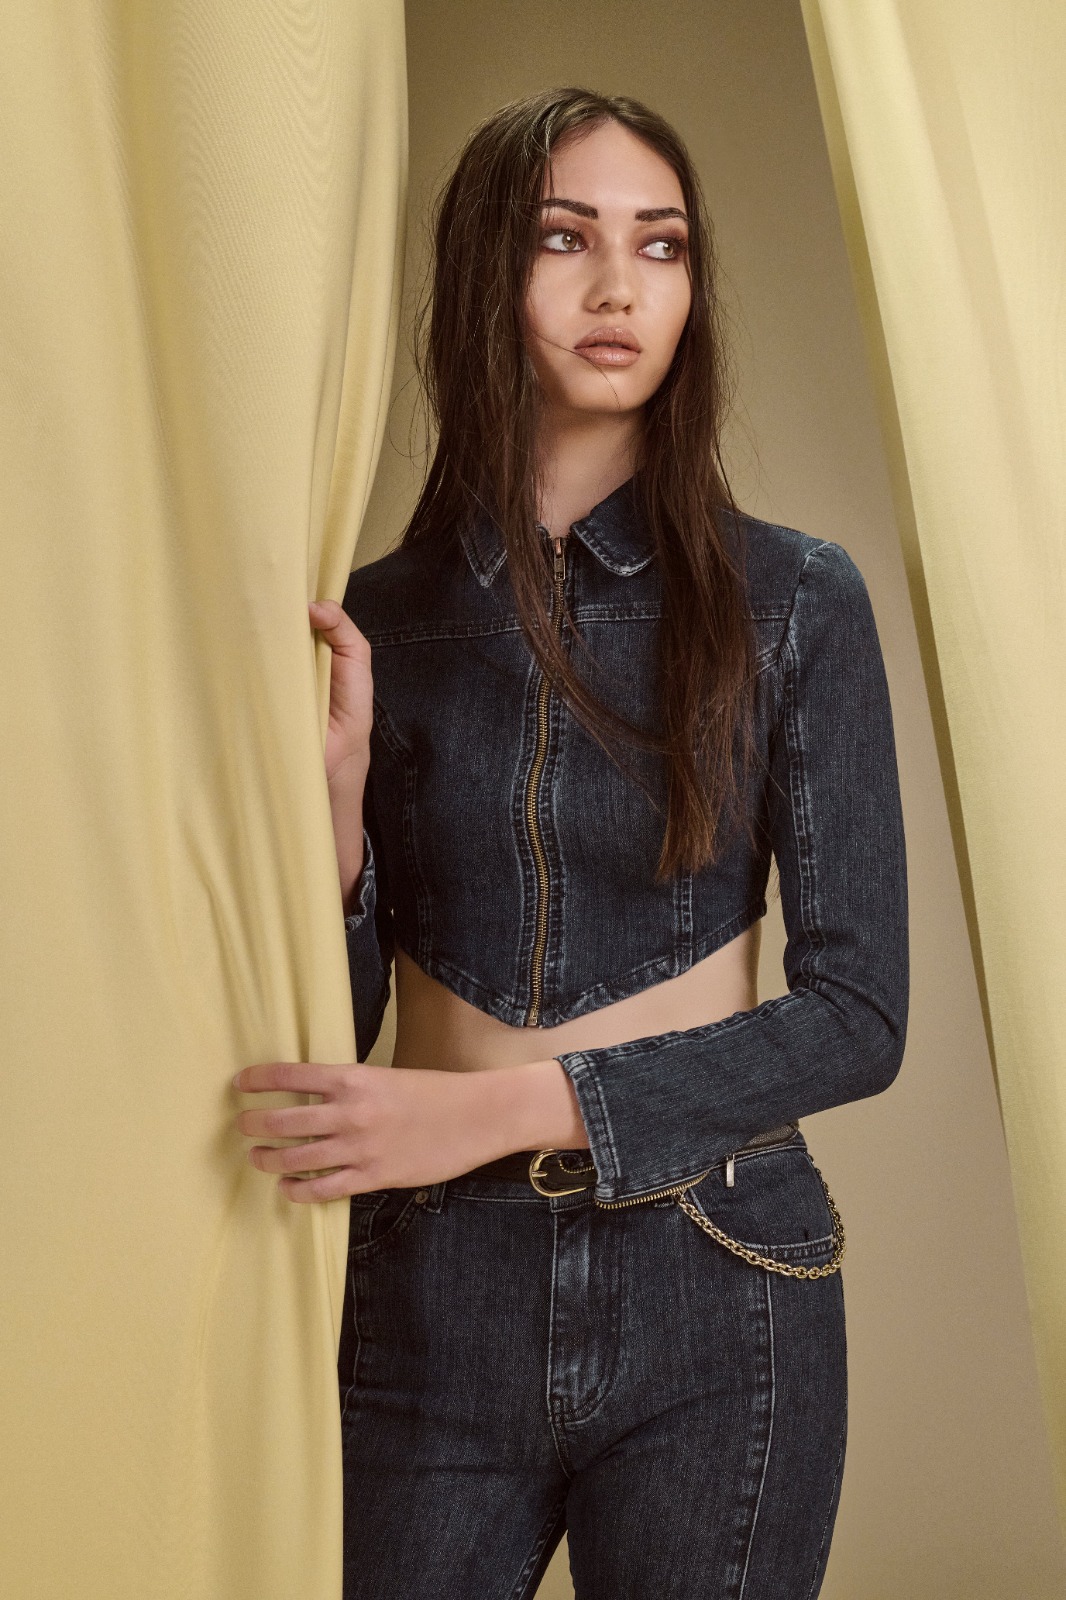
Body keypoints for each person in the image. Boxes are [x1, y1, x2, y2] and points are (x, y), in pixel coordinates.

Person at [233, 87, 909, 1599]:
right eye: (564, 239)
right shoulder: (374, 619)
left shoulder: (797, 600)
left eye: (660, 246)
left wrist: (492, 1113)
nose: (620, 287)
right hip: (428, 1289)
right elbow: (329, 1020)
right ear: (486, 270)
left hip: (717, 1270)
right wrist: (332, 816)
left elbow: (857, 1019)